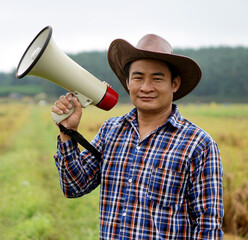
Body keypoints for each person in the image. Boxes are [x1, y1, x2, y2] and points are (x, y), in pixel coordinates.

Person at [52, 34, 224, 239]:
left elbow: (208, 226)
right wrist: (67, 132)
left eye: (157, 78)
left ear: (175, 84)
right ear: (127, 82)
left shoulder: (198, 144)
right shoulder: (111, 131)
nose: (145, 87)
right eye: (138, 77)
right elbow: (74, 186)